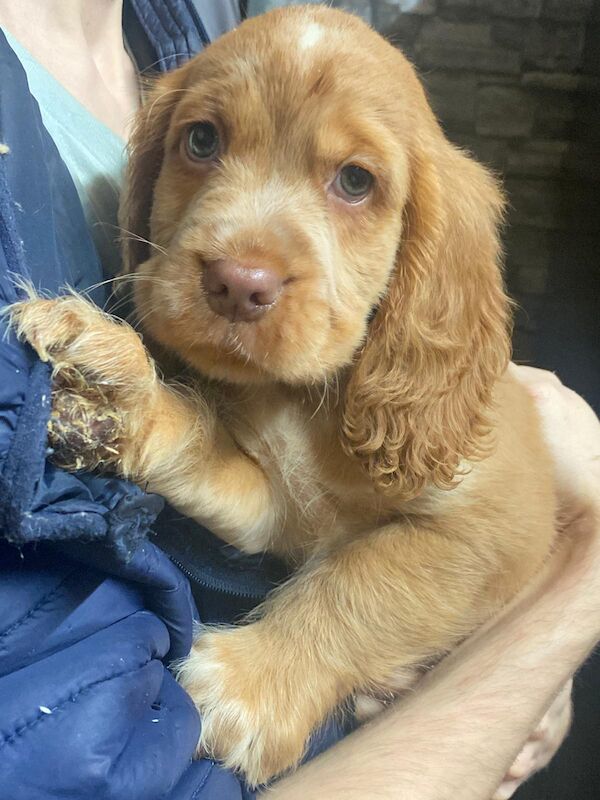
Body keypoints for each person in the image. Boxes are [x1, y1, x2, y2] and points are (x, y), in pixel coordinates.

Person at [0, 3, 598, 799]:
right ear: (141, 170)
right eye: (204, 141)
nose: (243, 266)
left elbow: (476, 531)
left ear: (424, 242)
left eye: (355, 180)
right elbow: (273, 501)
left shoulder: (182, 18)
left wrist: (309, 656)